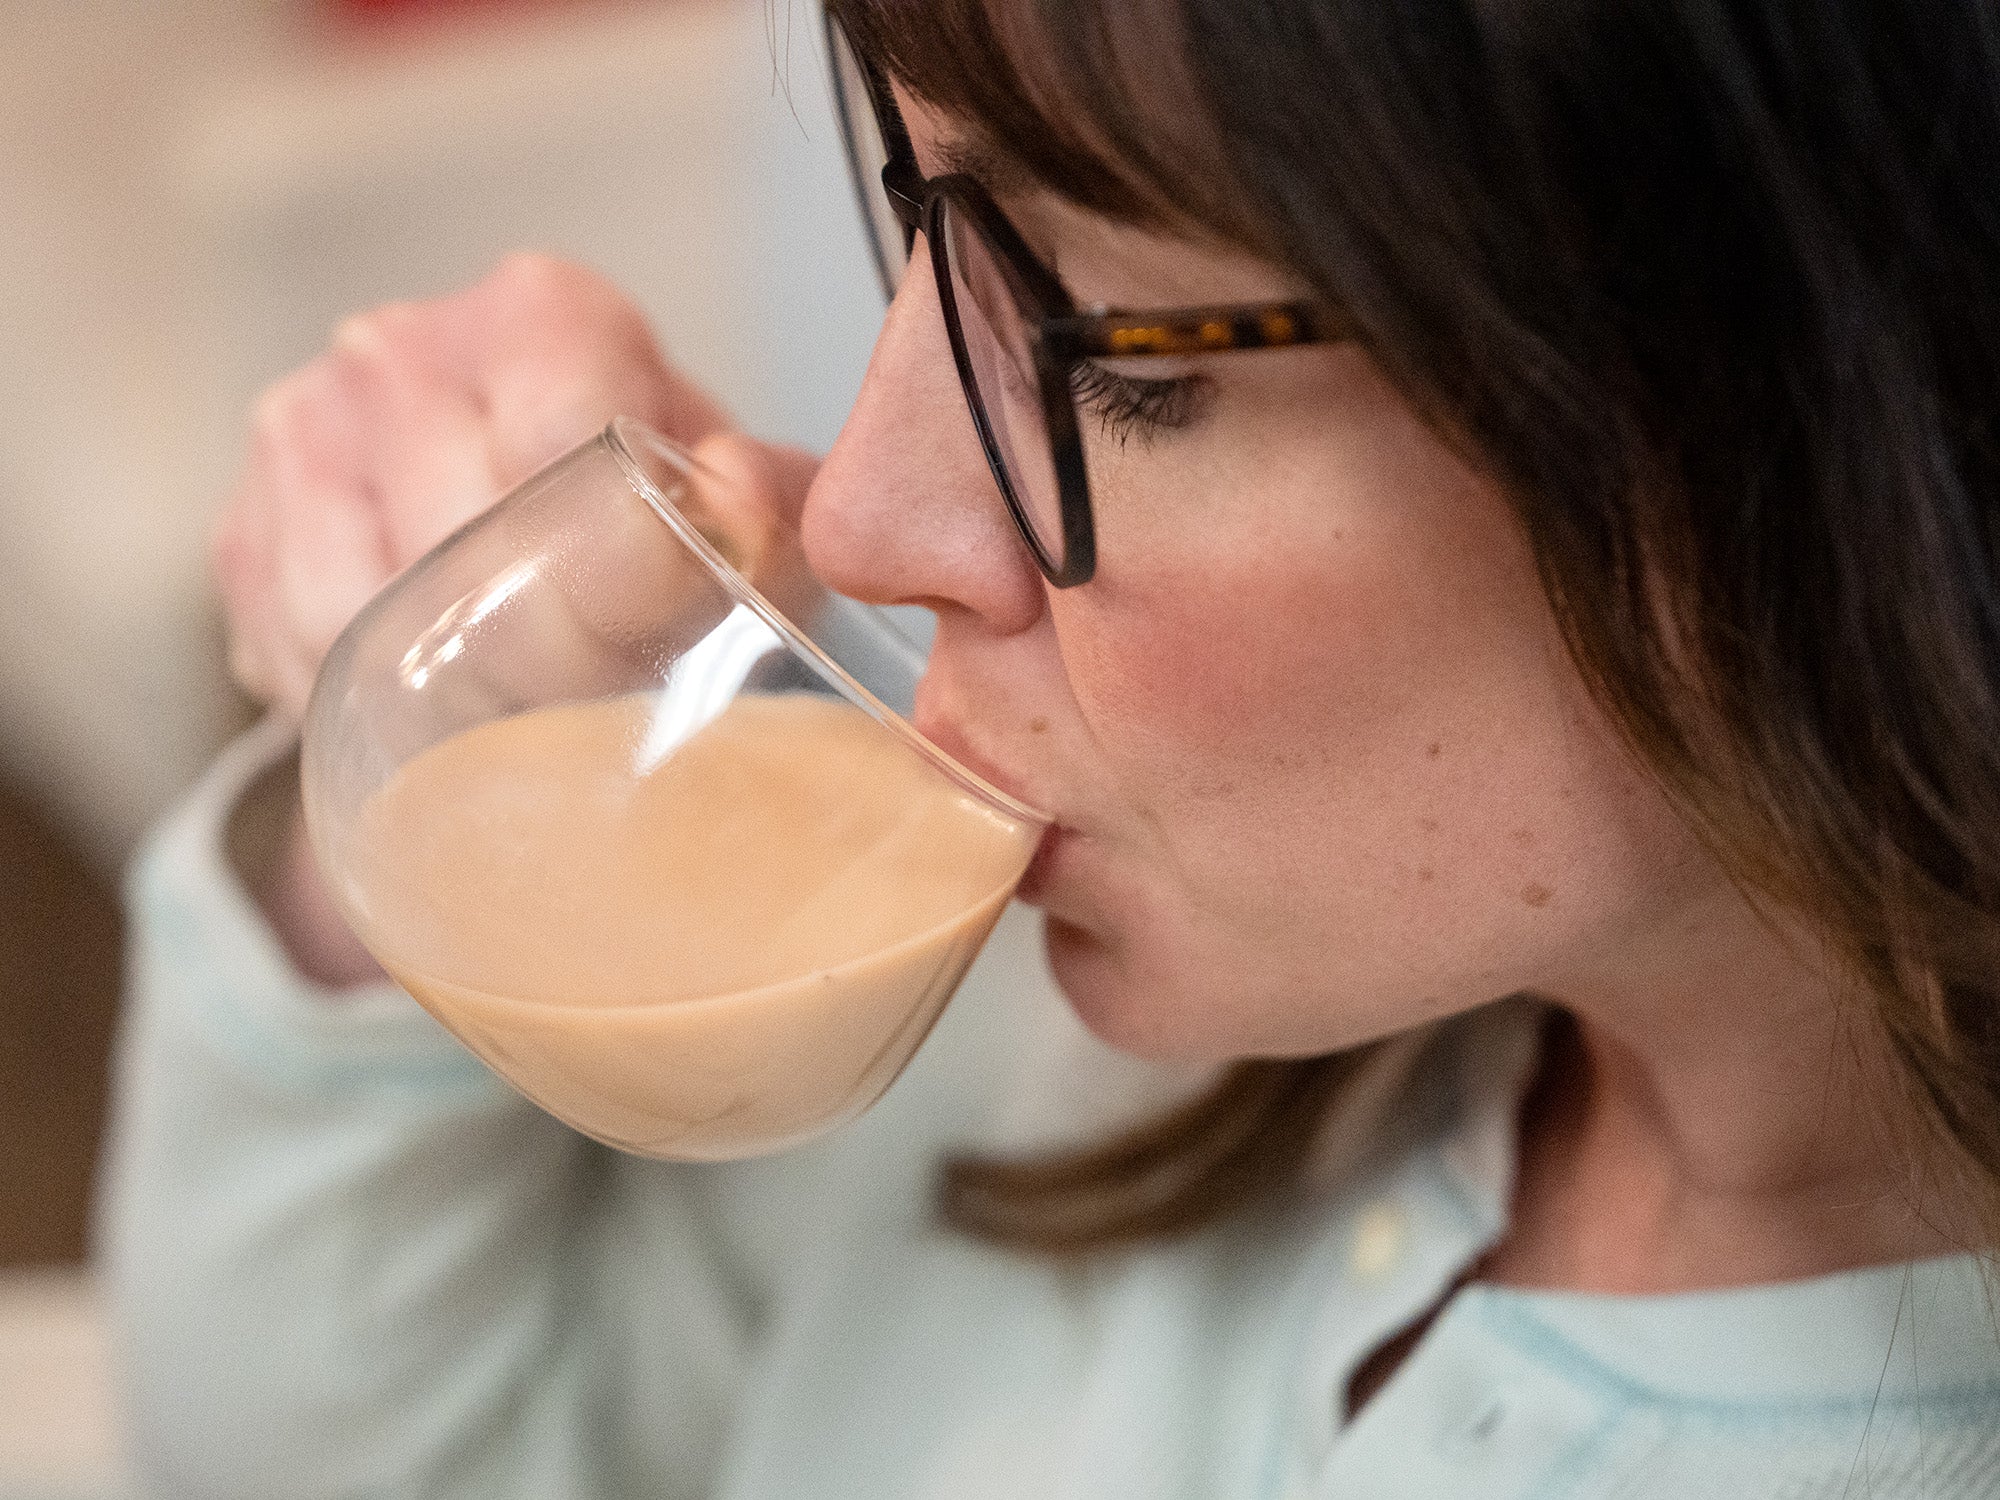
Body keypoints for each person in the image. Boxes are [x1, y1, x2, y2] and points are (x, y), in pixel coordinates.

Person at [101, 0, 2000, 1495]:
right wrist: (467, 778)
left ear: (1847, 393)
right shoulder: (1077, 1055)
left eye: (1110, 348)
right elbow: (389, 1459)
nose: (855, 511)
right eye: (926, 227)